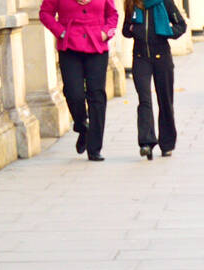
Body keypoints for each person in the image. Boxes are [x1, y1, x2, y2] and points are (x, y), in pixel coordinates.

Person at [40, 0, 119, 161]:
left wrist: (105, 33)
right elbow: (45, 13)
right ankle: (82, 125)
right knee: (73, 92)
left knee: (96, 95)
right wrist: (61, 32)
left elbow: (112, 15)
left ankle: (94, 148)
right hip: (69, 46)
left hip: (97, 46)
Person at [122, 0, 179, 160]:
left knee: (165, 101)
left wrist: (167, 31)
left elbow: (181, 25)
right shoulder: (132, 3)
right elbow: (125, 30)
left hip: (162, 57)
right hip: (140, 58)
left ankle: (167, 144)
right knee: (144, 100)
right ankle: (146, 143)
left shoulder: (165, 2)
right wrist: (132, 29)